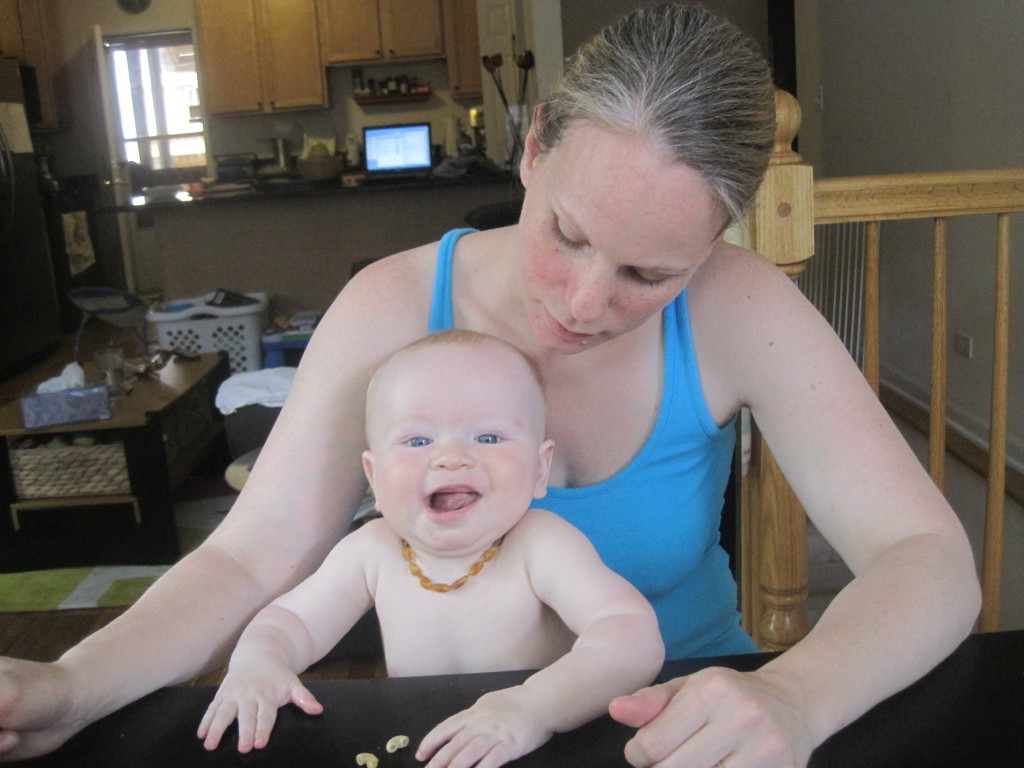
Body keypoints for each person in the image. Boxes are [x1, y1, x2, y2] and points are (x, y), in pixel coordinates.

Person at [0, 5, 980, 767]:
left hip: (680, 727)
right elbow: (253, 558)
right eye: (567, 235)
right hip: (444, 731)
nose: (586, 302)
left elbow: (924, 559)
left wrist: (797, 696)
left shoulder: (740, 306)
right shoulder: (390, 305)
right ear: (535, 143)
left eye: (649, 275)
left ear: (716, 238)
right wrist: (71, 688)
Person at [196, 330, 664, 764]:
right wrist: (260, 662)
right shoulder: (373, 551)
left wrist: (534, 707)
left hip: (538, 744)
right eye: (418, 439)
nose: (451, 456)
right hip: (419, 744)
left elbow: (630, 634)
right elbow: (291, 620)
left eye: (488, 436)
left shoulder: (539, 544)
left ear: (540, 470)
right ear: (375, 478)